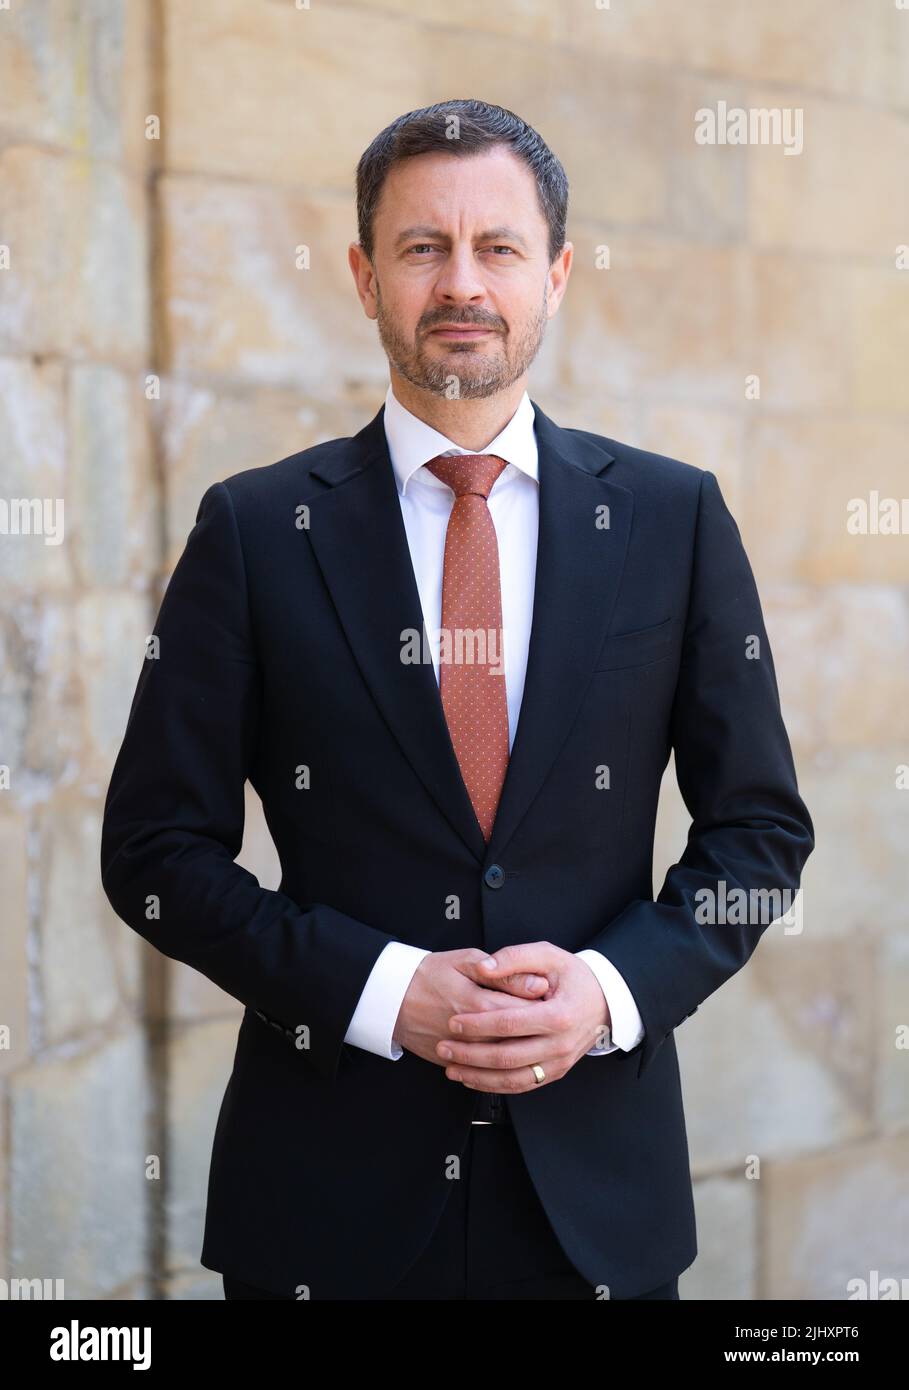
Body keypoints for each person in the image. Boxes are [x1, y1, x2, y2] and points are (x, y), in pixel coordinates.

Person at [100, 99, 814, 1301]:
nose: (461, 282)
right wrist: (381, 992)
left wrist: (608, 991)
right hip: (325, 1206)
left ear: (558, 273)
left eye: (499, 248)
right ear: (364, 274)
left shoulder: (672, 518)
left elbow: (761, 834)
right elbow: (154, 850)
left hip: (599, 1206)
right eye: (423, 246)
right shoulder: (258, 529)